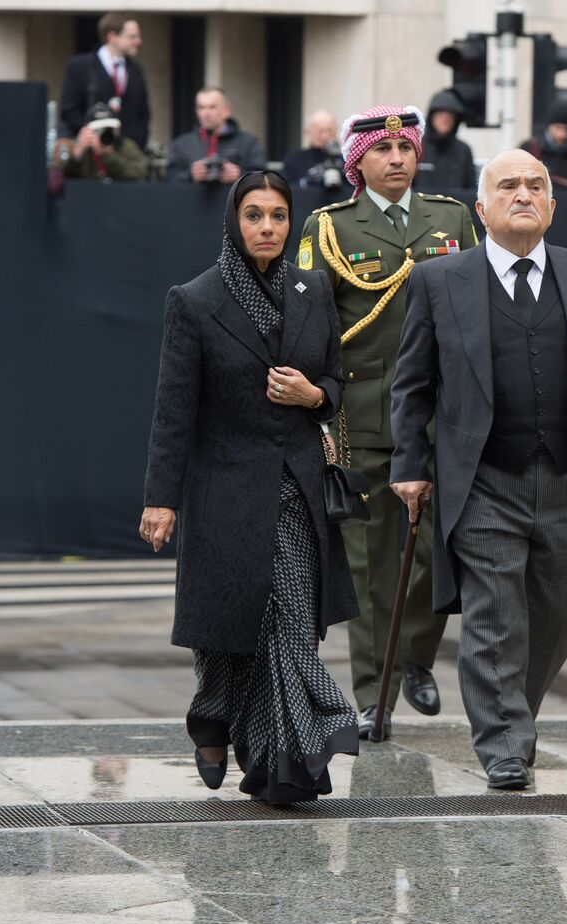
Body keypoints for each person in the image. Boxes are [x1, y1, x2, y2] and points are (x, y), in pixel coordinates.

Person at [389, 149, 567, 789]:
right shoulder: (438, 281)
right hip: (481, 482)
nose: (522, 195)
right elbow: (412, 384)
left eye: (535, 186)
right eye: (508, 186)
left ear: (552, 206)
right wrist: (410, 464)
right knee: (494, 617)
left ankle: (513, 715)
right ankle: (503, 743)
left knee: (557, 613)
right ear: (482, 208)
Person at [139, 170, 361, 802]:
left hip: (296, 492)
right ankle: (212, 710)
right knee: (231, 631)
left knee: (287, 624)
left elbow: (338, 384)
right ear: (235, 223)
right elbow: (173, 409)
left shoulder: (315, 289)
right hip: (223, 494)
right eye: (255, 216)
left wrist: (313, 394)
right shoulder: (196, 298)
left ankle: (289, 767)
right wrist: (161, 498)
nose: (268, 228)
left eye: (280, 216)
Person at [298, 105, 478, 740]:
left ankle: (417, 659)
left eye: (406, 149)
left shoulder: (453, 218)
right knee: (371, 560)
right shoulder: (329, 227)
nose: (398, 159)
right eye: (383, 151)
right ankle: (376, 694)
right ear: (359, 161)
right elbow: (310, 324)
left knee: (438, 545)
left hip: (443, 412)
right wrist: (319, 408)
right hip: (366, 413)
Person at [60, 13, 149, 149]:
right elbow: (68, 109)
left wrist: (137, 142)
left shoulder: (136, 70)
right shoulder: (80, 67)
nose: (138, 42)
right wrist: (91, 135)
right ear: (112, 37)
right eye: (132, 37)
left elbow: (143, 114)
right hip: (90, 154)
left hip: (127, 157)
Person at [167, 87, 266, 184]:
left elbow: (262, 179)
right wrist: (190, 175)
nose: (206, 113)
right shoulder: (182, 144)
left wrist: (239, 175)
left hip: (233, 200)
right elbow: (169, 179)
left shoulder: (248, 142)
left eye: (212, 107)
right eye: (201, 107)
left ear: (227, 110)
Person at [57, 102, 148, 181]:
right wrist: (77, 155)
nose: (105, 133)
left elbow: (140, 174)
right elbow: (58, 178)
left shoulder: (125, 146)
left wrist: (110, 156)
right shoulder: (80, 147)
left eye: (109, 128)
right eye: (98, 129)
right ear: (87, 131)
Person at [416, 90, 477, 192]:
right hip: (420, 206)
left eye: (450, 116)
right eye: (441, 114)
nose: (445, 119)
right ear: (432, 116)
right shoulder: (417, 146)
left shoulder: (463, 150)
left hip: (454, 206)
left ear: (456, 120)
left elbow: (471, 190)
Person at [520, 104, 567, 192]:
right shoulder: (530, 148)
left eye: (566, 129)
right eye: (557, 127)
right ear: (549, 127)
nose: (562, 134)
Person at [281, 109, 347, 193]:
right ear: (307, 132)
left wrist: (344, 174)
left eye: (330, 130)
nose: (325, 136)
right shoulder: (294, 159)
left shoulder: (344, 160)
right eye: (320, 131)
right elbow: (284, 191)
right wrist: (305, 182)